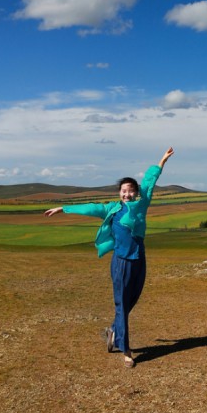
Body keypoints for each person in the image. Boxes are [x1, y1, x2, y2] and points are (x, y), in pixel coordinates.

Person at [45, 147, 174, 368]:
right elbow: (89, 208)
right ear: (119, 193)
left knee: (130, 301)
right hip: (121, 262)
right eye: (123, 190)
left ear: (136, 192)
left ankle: (113, 331)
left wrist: (162, 160)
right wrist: (63, 208)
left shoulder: (142, 204)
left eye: (131, 190)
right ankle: (126, 350)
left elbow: (151, 180)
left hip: (139, 260)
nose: (127, 194)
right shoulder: (111, 209)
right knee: (121, 304)